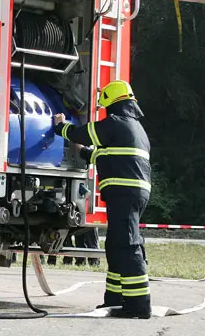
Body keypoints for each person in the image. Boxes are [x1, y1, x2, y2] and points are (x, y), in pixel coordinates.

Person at [53, 80, 152, 319]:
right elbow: (106, 156)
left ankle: (139, 304)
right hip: (130, 193)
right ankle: (115, 300)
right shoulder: (134, 128)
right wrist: (83, 152)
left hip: (124, 194)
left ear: (111, 102)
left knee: (127, 245)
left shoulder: (116, 123)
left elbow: (81, 133)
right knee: (116, 245)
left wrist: (61, 126)